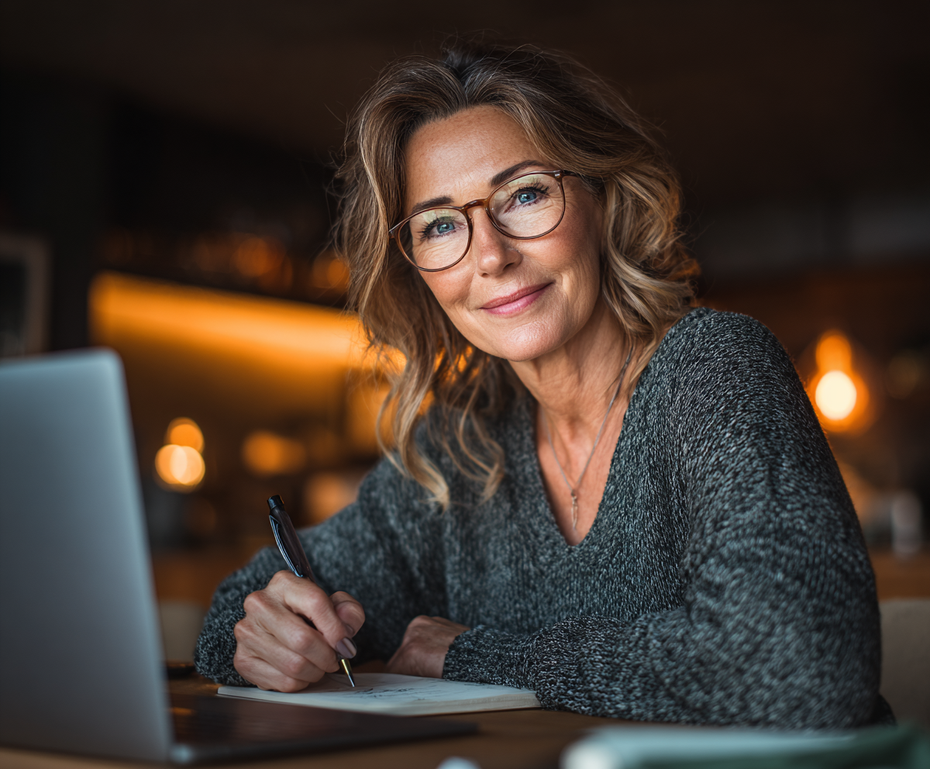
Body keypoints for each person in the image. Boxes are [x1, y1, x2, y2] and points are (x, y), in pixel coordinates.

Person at [195, 42, 890, 728]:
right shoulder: (457, 448)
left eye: (524, 193)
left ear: (602, 194)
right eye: (441, 225)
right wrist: (267, 635)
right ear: (416, 267)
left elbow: (804, 664)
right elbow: (230, 614)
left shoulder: (711, 368)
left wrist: (476, 655)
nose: (491, 255)